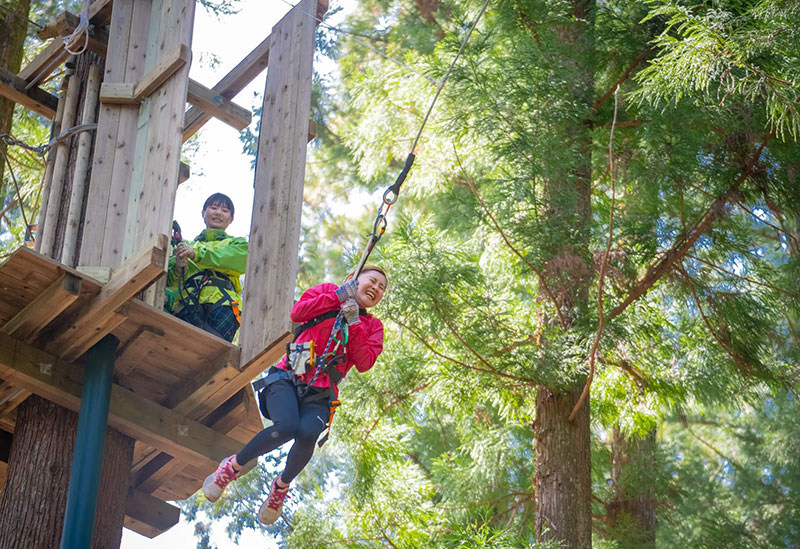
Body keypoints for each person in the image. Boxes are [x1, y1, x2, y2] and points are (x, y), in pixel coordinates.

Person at [201, 265, 388, 524]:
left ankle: (281, 486)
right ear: (352, 279)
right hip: (288, 376)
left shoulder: (372, 326)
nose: (376, 288)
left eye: (381, 288)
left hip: (321, 392)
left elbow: (365, 361)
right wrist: (338, 297)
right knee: (287, 427)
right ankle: (232, 467)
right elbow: (298, 312)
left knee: (308, 433)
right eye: (373, 281)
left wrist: (354, 321)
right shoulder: (327, 292)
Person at [164, 193, 248, 342]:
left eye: (224, 210)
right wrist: (178, 267)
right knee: (183, 345)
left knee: (213, 346)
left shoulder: (238, 244)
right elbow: (169, 281)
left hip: (224, 303)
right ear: (203, 213)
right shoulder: (185, 246)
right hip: (188, 302)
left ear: (231, 219)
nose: (218, 213)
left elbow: (237, 259)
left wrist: (197, 254)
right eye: (213, 208)